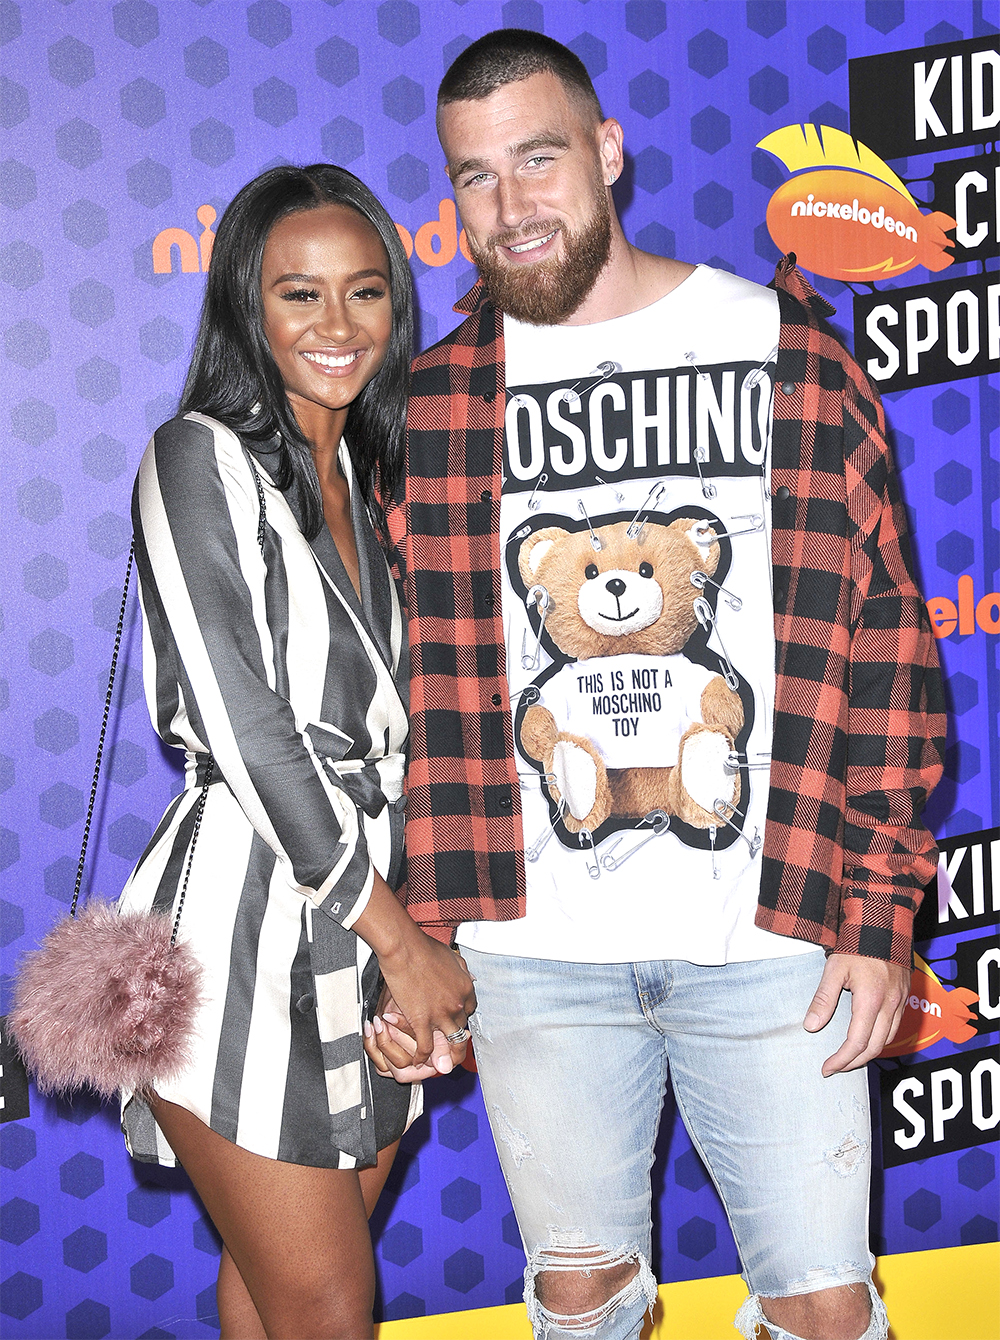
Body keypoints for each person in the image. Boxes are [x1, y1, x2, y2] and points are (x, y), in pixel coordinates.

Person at [369, 30, 946, 1340]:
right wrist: (418, 935)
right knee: (579, 1304)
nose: (510, 205)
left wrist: (876, 910)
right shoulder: (434, 405)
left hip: (772, 940)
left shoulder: (786, 353)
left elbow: (886, 649)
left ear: (609, 151)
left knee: (825, 1309)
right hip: (530, 953)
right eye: (473, 177)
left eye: (538, 158)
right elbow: (405, 695)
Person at [120, 163, 476, 1340]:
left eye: (363, 290)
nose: (337, 324)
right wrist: (402, 941)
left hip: (371, 927)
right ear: (248, 306)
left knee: (278, 1288)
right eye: (299, 293)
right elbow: (245, 721)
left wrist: (416, 935)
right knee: (327, 1300)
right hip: (243, 922)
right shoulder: (196, 455)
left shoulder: (378, 482)